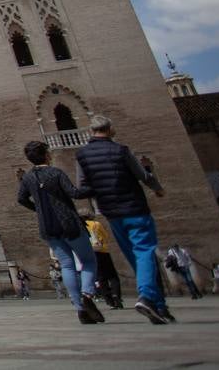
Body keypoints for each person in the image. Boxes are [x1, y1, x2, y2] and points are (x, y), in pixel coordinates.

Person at [74, 115, 172, 325]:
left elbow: (82, 187)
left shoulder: (82, 155)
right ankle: (148, 298)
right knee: (145, 252)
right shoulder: (121, 150)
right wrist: (158, 189)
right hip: (134, 208)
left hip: (111, 212)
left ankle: (158, 304)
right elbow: (143, 175)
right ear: (110, 129)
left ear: (91, 131)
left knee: (136, 257)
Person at [16, 140, 103, 324]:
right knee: (88, 260)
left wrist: (38, 210)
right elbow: (74, 193)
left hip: (48, 226)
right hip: (68, 223)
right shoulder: (55, 172)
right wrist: (92, 187)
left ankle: (79, 308)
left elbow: (21, 199)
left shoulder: (28, 178)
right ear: (47, 155)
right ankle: (87, 294)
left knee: (67, 265)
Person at [85, 213, 123, 309]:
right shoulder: (96, 224)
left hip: (90, 253)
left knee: (101, 278)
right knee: (112, 275)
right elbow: (105, 236)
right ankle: (116, 295)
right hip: (102, 251)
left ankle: (109, 300)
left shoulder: (80, 226)